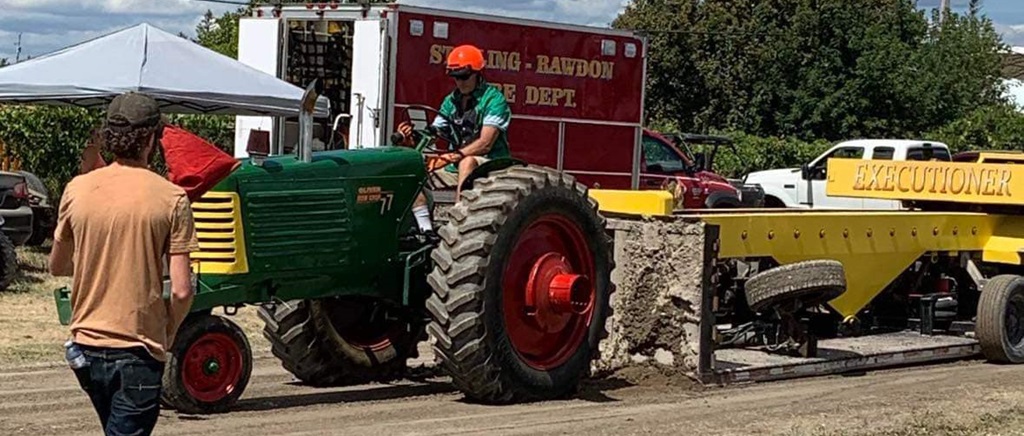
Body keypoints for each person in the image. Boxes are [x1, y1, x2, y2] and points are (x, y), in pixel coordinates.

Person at [49, 92, 200, 436]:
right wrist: (170, 330)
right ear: (151, 139)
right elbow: (180, 290)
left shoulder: (78, 189)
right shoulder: (171, 198)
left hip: (84, 345)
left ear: (108, 137)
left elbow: (58, 266)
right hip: (138, 348)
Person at [396, 44, 512, 235]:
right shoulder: (451, 101)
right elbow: (433, 132)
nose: (460, 82)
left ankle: (459, 223)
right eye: (455, 77)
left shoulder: (494, 100)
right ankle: (425, 230)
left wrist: (452, 156)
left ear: (477, 73)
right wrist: (411, 140)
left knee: (467, 162)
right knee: (412, 171)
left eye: (464, 76)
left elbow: (485, 143)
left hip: (491, 163)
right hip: (455, 163)